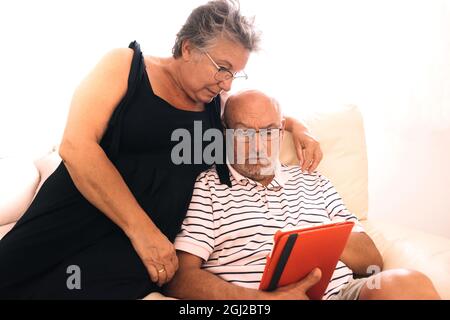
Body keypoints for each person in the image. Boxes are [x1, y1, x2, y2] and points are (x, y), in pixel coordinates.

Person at [0, 1, 322, 299]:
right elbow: (76, 146)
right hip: (75, 217)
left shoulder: (215, 103)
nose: (227, 84)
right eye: (222, 68)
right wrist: (144, 232)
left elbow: (262, 115)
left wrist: (298, 127)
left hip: (130, 256)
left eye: (235, 74)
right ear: (188, 47)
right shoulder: (126, 66)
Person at [165, 90, 441, 300]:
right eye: (244, 133)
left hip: (338, 293)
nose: (258, 145)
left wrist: (319, 240)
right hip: (257, 301)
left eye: (269, 132)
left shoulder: (313, 181)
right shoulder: (209, 187)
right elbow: (181, 278)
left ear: (281, 129)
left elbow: (372, 261)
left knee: (408, 283)